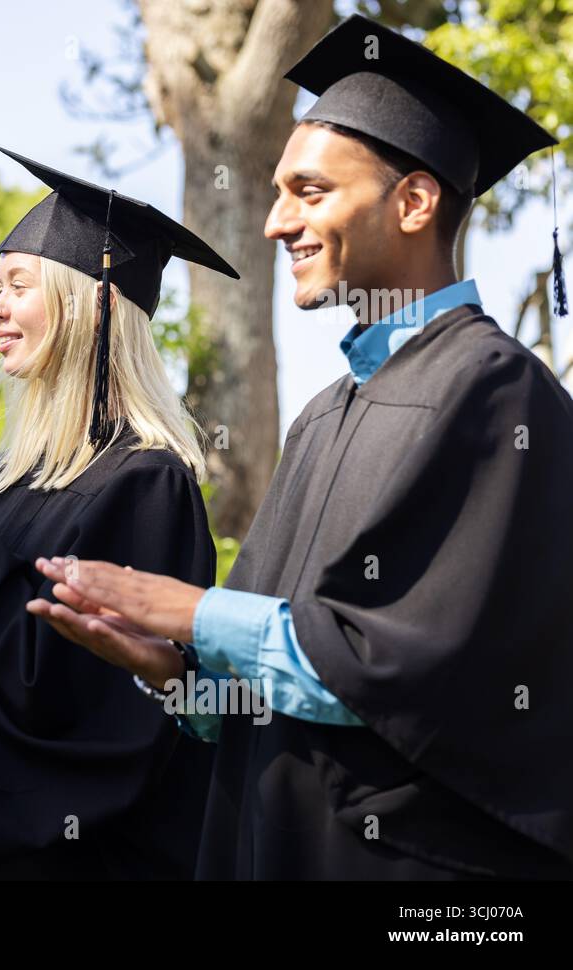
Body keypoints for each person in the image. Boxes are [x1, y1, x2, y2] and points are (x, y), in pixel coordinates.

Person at [34, 15, 573, 879]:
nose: (275, 222)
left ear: (414, 200)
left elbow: (428, 678)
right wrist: (176, 674)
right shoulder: (323, 413)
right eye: (278, 190)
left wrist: (190, 612)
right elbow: (278, 681)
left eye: (310, 192)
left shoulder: (497, 392)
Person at [0, 148, 237, 879]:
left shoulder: (148, 485)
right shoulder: (6, 482)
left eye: (18, 286)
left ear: (91, 300)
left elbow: (85, 707)